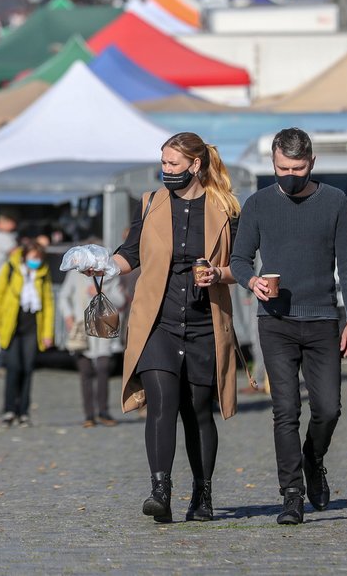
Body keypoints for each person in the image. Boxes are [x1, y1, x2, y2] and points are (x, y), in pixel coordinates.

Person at [96, 132, 241, 524]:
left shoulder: (225, 209)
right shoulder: (151, 203)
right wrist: (105, 266)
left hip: (204, 324)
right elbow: (130, 255)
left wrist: (218, 273)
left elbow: (243, 265)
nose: (166, 171)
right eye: (163, 163)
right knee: (161, 403)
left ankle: (203, 493)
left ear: (195, 165)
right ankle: (160, 489)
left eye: (173, 165)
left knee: (196, 410)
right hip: (157, 322)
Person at [230, 127, 347, 526]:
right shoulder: (257, 204)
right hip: (275, 324)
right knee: (285, 410)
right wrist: (250, 280)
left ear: (312, 164)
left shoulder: (335, 202)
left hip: (323, 320)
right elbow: (239, 259)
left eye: (297, 167)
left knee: (327, 409)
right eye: (281, 167)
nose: (289, 174)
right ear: (272, 162)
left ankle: (314, 458)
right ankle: (291, 494)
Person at [0, 241, 55, 428]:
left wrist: (48, 333)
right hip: (11, 326)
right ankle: (9, 409)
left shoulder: (43, 273)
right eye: (33, 257)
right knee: (13, 367)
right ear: (25, 255)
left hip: (32, 327)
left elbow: (49, 302)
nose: (36, 261)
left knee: (28, 368)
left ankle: (23, 411)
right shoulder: (11, 268)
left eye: (39, 258)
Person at [59, 263, 125, 427]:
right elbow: (63, 296)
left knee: (103, 368)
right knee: (85, 371)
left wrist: (103, 292)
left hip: (103, 328)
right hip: (82, 329)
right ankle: (89, 414)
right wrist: (68, 316)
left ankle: (103, 411)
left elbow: (121, 299)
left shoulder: (110, 277)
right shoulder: (75, 275)